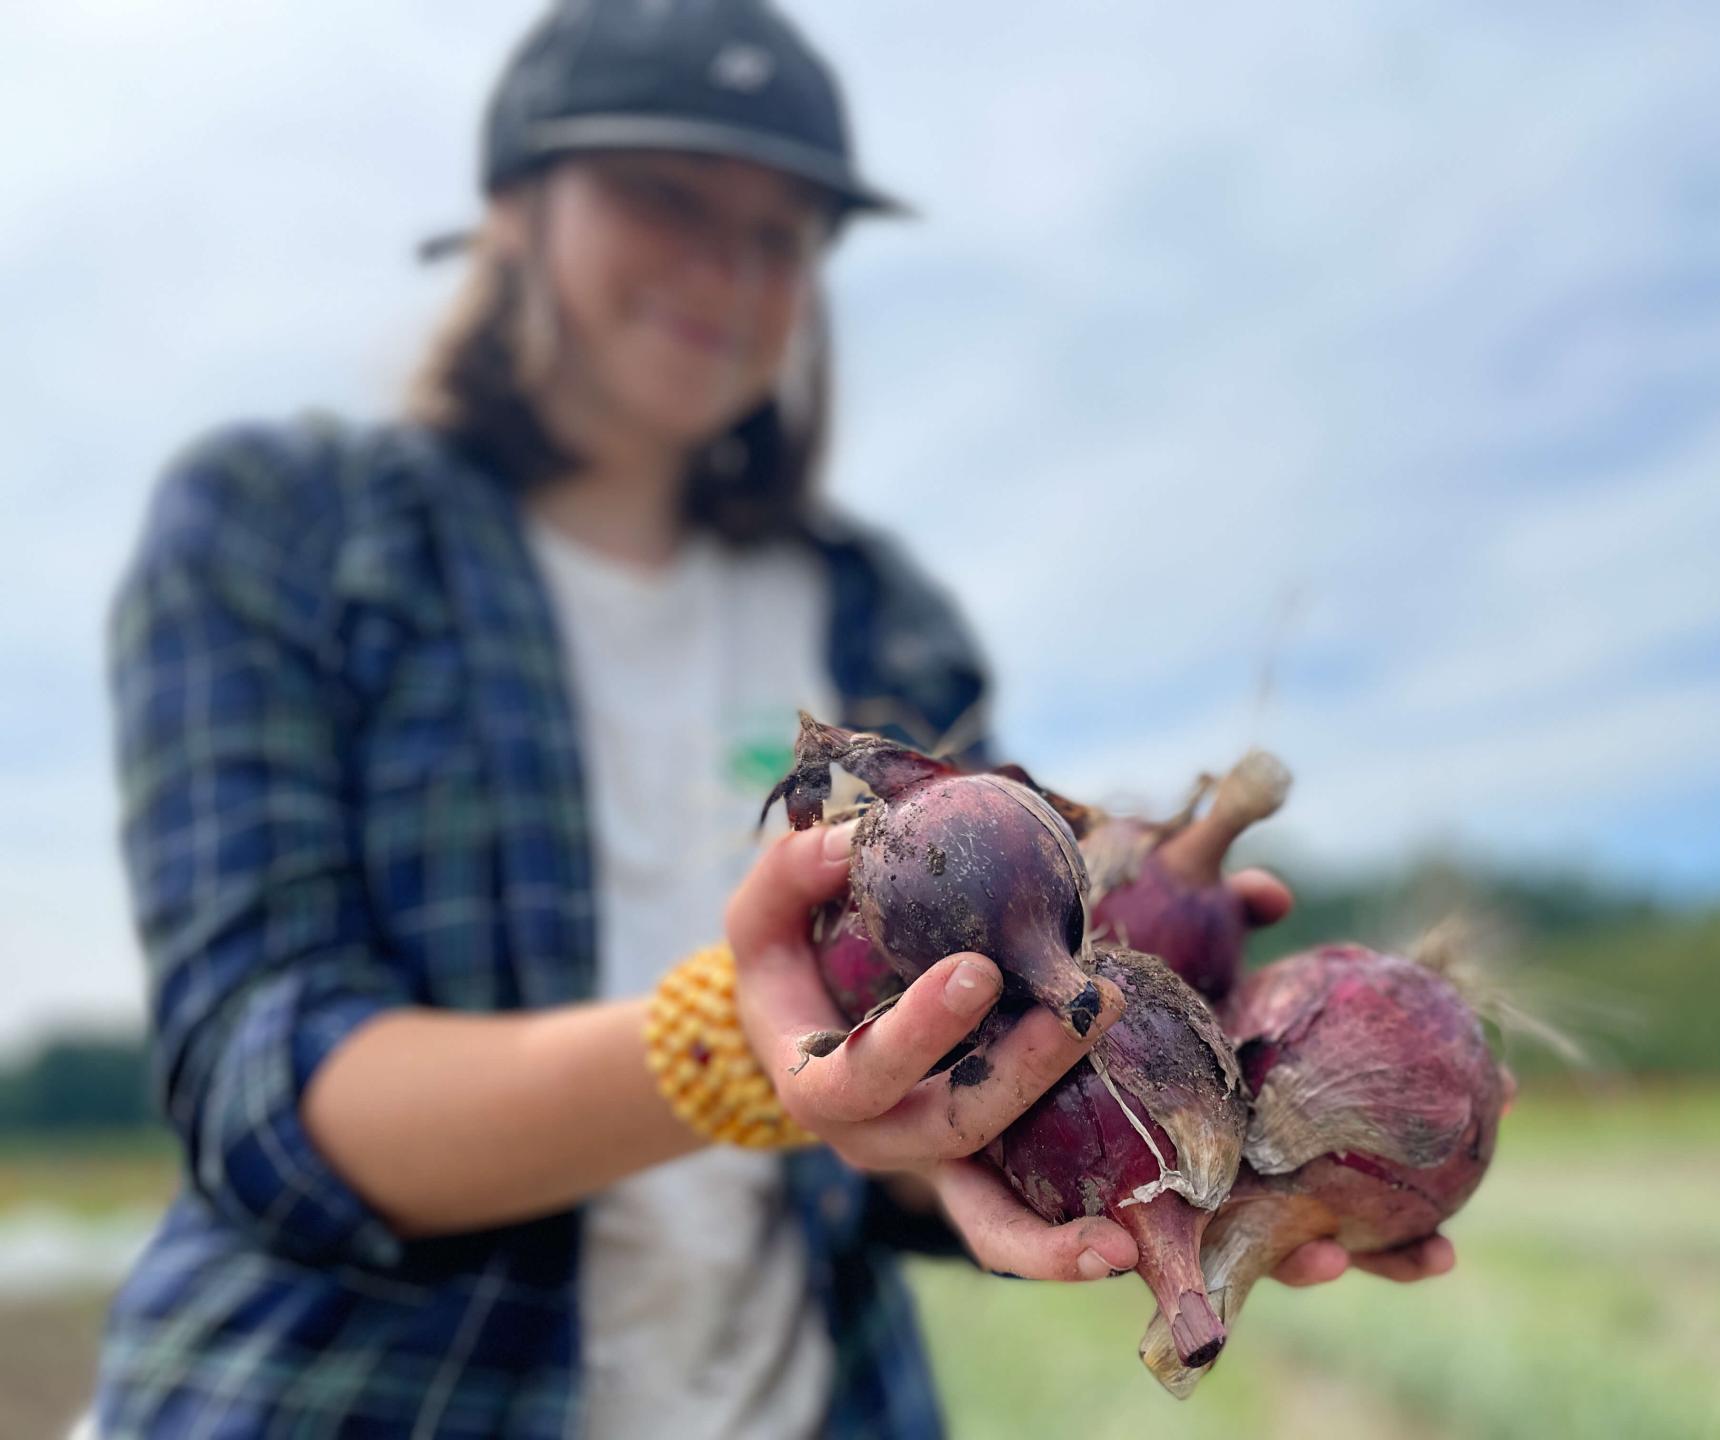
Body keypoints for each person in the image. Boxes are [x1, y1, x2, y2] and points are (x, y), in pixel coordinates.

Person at [89, 2, 1452, 1435]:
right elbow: (258, 1097)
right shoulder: (281, 528)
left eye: (780, 234)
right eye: (665, 198)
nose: (727, 271)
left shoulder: (885, 618)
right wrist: (740, 1052)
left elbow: (912, 1162)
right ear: (511, 206)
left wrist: (1155, 1136)